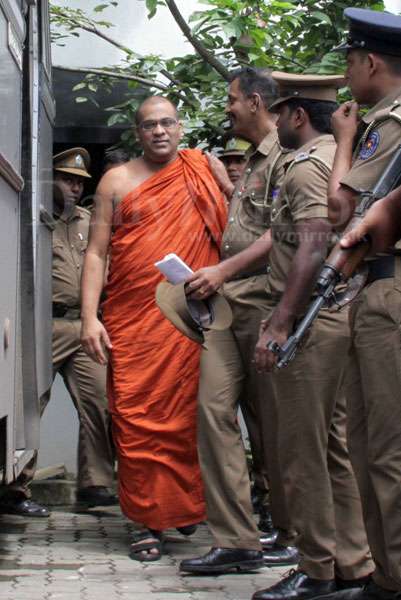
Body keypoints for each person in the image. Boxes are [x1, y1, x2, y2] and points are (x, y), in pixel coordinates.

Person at [80, 96, 227, 562]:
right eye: (149, 125)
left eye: (167, 123)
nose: (159, 131)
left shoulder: (203, 169)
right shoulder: (117, 182)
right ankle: (145, 520)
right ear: (137, 133)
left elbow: (235, 231)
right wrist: (89, 317)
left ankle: (181, 508)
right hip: (133, 319)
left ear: (181, 128)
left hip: (192, 320)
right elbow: (97, 253)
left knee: (188, 418)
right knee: (135, 416)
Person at [253, 73, 373, 600]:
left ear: (297, 115)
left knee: (301, 451)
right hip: (336, 317)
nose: (275, 123)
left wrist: (280, 321)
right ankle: (353, 561)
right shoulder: (336, 160)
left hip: (308, 322)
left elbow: (313, 244)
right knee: (334, 450)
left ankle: (317, 569)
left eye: (280, 113)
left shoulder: (305, 167)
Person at [180, 67, 296, 576]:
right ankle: (237, 539)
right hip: (229, 308)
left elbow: (287, 230)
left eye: (231, 100)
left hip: (270, 304)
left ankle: (296, 533)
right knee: (212, 410)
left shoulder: (288, 155)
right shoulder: (248, 161)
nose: (226, 108)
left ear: (254, 101)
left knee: (278, 427)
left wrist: (223, 268)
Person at [327, 8, 401, 599]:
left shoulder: (388, 123)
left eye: (349, 62)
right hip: (375, 288)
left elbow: (341, 210)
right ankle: (383, 577)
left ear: (370, 61)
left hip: (391, 291)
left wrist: (346, 140)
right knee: (368, 447)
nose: (346, 74)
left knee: (388, 451)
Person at [0, 148, 116, 517]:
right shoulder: (34, 219)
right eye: (67, 179)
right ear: (51, 179)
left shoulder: (89, 221)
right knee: (29, 405)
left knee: (100, 400)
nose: (74, 188)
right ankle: (15, 488)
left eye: (80, 182)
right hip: (42, 323)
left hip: (86, 324)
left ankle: (95, 484)